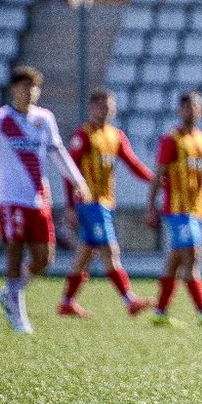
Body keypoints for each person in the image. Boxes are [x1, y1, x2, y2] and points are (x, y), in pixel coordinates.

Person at [0, 65, 92, 334]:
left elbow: (58, 153)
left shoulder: (44, 118)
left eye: (34, 87)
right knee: (14, 252)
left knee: (44, 259)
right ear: (13, 89)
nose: (30, 92)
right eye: (25, 86)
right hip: (10, 199)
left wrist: (78, 182)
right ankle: (18, 315)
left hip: (39, 199)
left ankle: (9, 293)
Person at [59, 87, 156, 319]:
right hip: (89, 204)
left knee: (86, 254)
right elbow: (68, 172)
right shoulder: (82, 136)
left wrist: (155, 178)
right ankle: (130, 300)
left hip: (105, 203)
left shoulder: (116, 136)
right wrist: (70, 205)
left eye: (109, 106)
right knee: (110, 251)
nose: (106, 110)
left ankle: (67, 302)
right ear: (92, 107)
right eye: (101, 105)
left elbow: (132, 163)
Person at [144, 91, 202, 327]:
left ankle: (160, 312)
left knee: (174, 261)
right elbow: (158, 176)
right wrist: (150, 207)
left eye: (193, 107)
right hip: (177, 211)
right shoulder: (170, 140)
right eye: (185, 108)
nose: (189, 112)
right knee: (192, 256)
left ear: (200, 111)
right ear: (179, 111)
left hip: (197, 211)